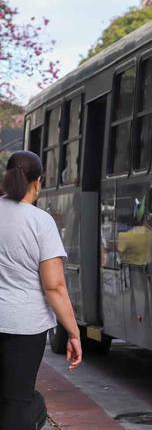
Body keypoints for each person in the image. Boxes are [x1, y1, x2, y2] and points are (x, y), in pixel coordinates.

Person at [0, 151, 82, 429]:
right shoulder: (40, 222)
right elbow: (55, 286)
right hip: (24, 327)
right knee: (17, 400)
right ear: (38, 182)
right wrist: (73, 332)